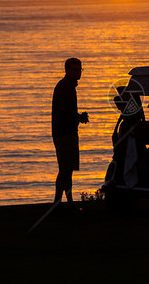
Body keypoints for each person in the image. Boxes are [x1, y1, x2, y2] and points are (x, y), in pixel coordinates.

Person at [52, 58, 89, 211]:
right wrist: (79, 117)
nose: (78, 72)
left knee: (67, 169)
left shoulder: (67, 86)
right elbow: (65, 113)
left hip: (66, 132)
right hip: (65, 133)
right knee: (65, 169)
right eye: (75, 69)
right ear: (67, 70)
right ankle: (59, 203)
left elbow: (67, 112)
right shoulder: (65, 87)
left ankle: (66, 202)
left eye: (80, 69)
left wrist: (78, 117)